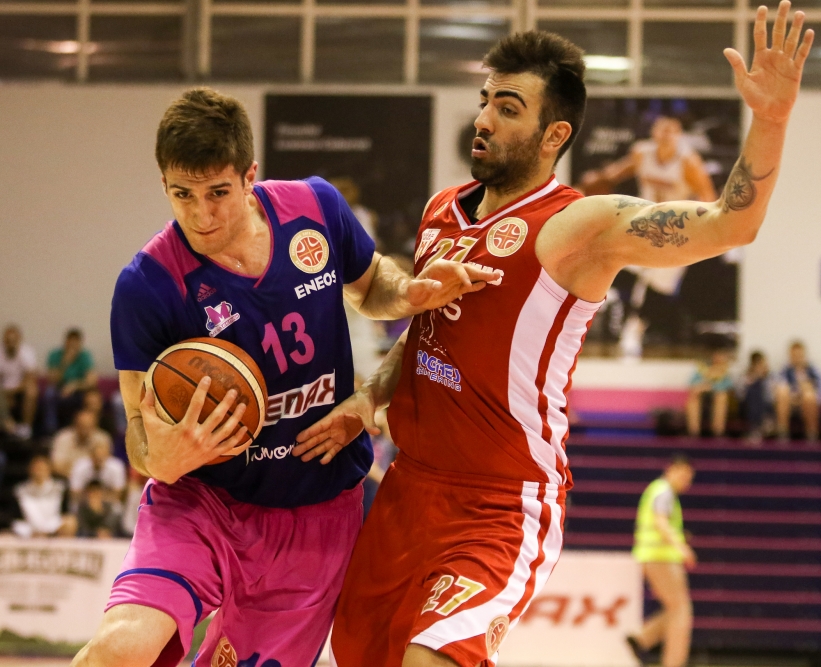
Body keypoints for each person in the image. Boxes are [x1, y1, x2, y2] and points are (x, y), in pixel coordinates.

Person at [294, 9, 814, 666]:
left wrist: (770, 119)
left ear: (554, 134)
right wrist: (370, 395)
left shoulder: (579, 226)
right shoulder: (440, 211)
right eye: (485, 101)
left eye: (508, 108)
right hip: (407, 490)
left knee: (431, 657)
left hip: (498, 504)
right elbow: (426, 336)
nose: (484, 119)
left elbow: (728, 223)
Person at [72, 87, 495, 667]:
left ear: (250, 176)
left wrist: (409, 293)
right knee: (119, 649)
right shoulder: (148, 284)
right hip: (200, 501)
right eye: (182, 194)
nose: (201, 214)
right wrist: (159, 458)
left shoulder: (314, 208)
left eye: (218, 192)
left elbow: (373, 285)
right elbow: (138, 433)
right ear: (164, 183)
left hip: (315, 513)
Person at [580, 116, 720, 359]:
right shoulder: (641, 153)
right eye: (662, 129)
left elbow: (708, 198)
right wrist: (593, 182)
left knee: (658, 288)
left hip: (675, 229)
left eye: (672, 130)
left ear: (679, 135)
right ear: (654, 132)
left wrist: (697, 224)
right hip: (643, 222)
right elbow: (615, 174)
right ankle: (612, 315)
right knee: (616, 261)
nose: (666, 134)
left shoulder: (688, 162)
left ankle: (635, 330)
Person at [627, 456, 696, 667]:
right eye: (683, 476)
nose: (685, 482)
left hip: (653, 557)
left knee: (675, 609)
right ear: (670, 470)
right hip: (661, 558)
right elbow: (661, 522)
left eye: (688, 478)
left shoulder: (658, 491)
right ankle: (673, 662)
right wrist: (681, 547)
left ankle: (642, 639)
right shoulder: (664, 492)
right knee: (681, 611)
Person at [45, 328, 98, 431]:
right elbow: (52, 380)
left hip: (79, 389)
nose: (72, 346)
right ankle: (50, 429)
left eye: (75, 343)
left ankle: (84, 427)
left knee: (91, 398)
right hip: (59, 388)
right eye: (70, 342)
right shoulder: (55, 355)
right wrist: (65, 362)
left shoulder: (85, 356)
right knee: (49, 394)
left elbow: (91, 381)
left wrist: (74, 386)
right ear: (65, 342)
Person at [12, 454, 76, 538]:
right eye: (36, 468)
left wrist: (49, 529)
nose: (39, 471)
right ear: (30, 469)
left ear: (49, 469)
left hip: (54, 530)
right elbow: (15, 519)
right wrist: (30, 532)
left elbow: (64, 513)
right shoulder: (20, 490)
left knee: (70, 521)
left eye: (42, 468)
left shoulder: (59, 488)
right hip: (30, 531)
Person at [775, 340, 819, 441]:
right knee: (782, 392)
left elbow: (818, 390)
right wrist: (794, 397)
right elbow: (779, 387)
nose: (797, 358)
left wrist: (806, 390)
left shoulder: (812, 371)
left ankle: (812, 433)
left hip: (808, 403)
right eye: (794, 355)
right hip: (790, 403)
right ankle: (783, 432)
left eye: (799, 355)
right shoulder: (785, 370)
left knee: (809, 395)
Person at [0, 324, 38, 440]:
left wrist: (11, 393)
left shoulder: (26, 352)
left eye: (13, 340)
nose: (11, 343)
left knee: (32, 390)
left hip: (20, 389)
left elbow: (30, 378)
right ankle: (8, 424)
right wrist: (5, 394)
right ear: (4, 340)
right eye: (8, 340)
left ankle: (26, 428)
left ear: (19, 340)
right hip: (2, 390)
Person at [51, 409, 113, 478]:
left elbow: (107, 465)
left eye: (88, 427)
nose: (84, 431)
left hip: (97, 480)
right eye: (81, 426)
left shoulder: (103, 438)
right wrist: (78, 476)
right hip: (67, 478)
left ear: (95, 426)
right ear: (75, 425)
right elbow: (56, 466)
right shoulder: (63, 438)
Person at [686, 349, 733, 437]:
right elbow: (692, 383)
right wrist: (702, 387)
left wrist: (711, 387)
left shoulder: (725, 372)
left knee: (721, 396)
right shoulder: (702, 369)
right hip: (703, 399)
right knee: (693, 397)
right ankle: (693, 433)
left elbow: (728, 387)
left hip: (717, 398)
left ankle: (718, 432)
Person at [69, 438, 127, 506]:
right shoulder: (80, 466)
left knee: (117, 506)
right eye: (96, 457)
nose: (99, 460)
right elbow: (74, 493)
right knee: (74, 504)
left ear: (108, 455)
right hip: (84, 503)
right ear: (90, 455)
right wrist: (92, 499)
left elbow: (119, 494)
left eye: (101, 457)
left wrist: (99, 499)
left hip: (109, 503)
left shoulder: (116, 467)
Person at [738, 350, 775, 443]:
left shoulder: (770, 378)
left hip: (766, 406)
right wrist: (754, 379)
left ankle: (758, 427)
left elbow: (772, 397)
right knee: (753, 391)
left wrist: (762, 379)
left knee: (758, 391)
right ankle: (757, 427)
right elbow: (740, 395)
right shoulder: (745, 377)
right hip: (747, 407)